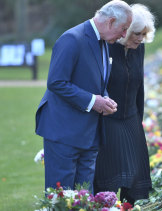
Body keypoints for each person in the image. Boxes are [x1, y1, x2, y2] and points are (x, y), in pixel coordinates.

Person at [35, 0, 133, 193]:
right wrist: (93, 101)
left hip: (90, 135)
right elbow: (56, 82)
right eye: (123, 29)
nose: (124, 35)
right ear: (111, 21)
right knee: (61, 198)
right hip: (64, 132)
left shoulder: (104, 41)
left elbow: (95, 80)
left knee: (84, 198)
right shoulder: (72, 38)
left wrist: (104, 99)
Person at [94, 4, 155, 206]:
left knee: (137, 181)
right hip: (107, 121)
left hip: (131, 119)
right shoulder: (106, 46)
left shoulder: (139, 49)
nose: (140, 38)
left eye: (144, 34)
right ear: (125, 30)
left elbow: (140, 87)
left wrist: (139, 121)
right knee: (108, 178)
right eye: (137, 33)